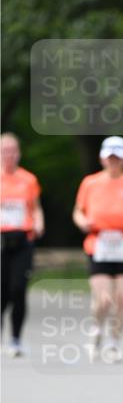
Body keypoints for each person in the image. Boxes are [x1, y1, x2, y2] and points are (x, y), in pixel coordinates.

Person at [73, 136, 123, 362]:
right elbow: (78, 211)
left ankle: (114, 343)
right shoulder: (90, 183)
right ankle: (96, 329)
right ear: (102, 159)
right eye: (110, 158)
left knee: (122, 299)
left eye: (118, 158)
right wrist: (82, 222)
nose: (114, 161)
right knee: (104, 298)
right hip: (99, 243)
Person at [1, 133, 44, 356]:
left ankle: (16, 338)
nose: (8, 155)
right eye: (4, 150)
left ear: (18, 153)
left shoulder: (28, 179)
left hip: (23, 240)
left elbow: (35, 207)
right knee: (2, 291)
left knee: (18, 289)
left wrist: (39, 222)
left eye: (12, 150)